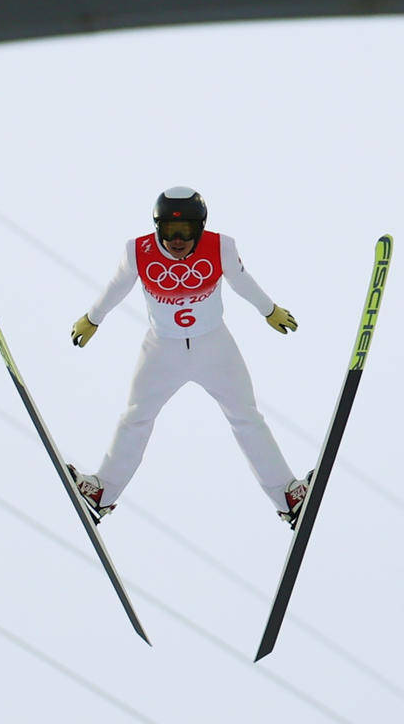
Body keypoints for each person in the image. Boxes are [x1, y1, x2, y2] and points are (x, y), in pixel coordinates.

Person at [66, 186, 310, 526]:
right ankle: (101, 494)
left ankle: (287, 496)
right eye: (168, 231)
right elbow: (117, 285)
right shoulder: (138, 251)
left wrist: (269, 310)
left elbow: (241, 281)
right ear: (156, 228)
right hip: (162, 349)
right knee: (136, 417)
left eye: (185, 232)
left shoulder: (220, 246)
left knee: (246, 417)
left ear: (201, 228)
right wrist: (93, 319)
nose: (176, 240)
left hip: (215, 346)